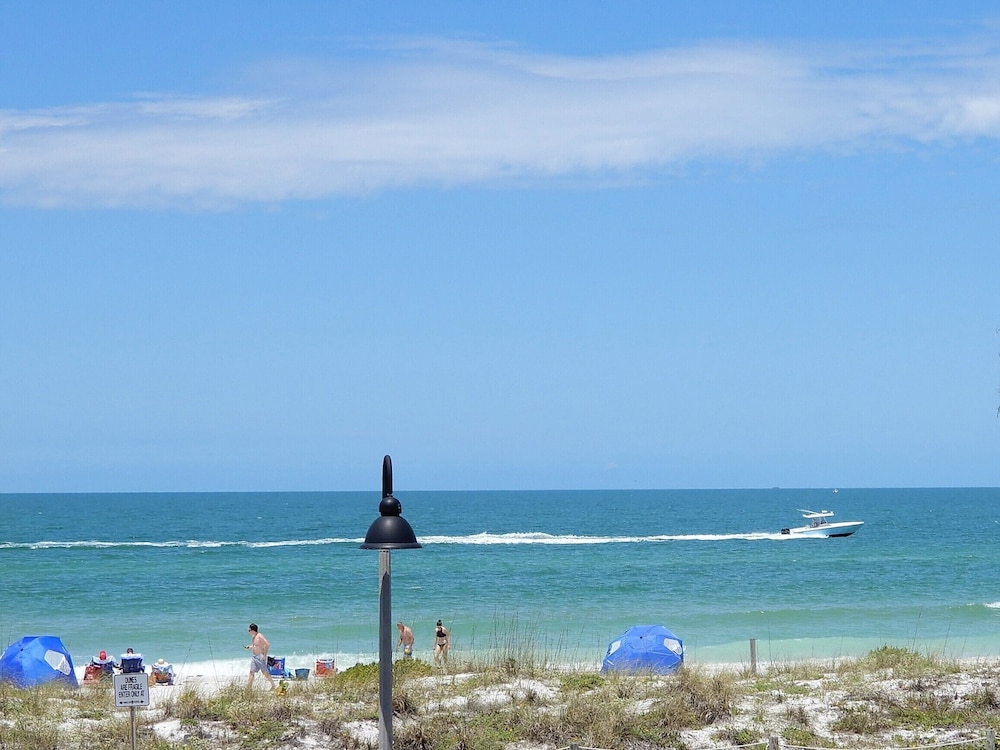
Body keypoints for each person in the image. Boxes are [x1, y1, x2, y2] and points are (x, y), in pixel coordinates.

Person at [245, 623, 276, 689]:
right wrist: (249, 647)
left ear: (253, 630)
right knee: (251, 672)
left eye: (249, 630)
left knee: (265, 673)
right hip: (254, 657)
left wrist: (265, 655)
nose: (249, 632)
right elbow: (254, 646)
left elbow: (267, 644)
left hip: (260, 657)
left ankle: (273, 685)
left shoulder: (259, 636)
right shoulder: (253, 637)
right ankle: (248, 687)